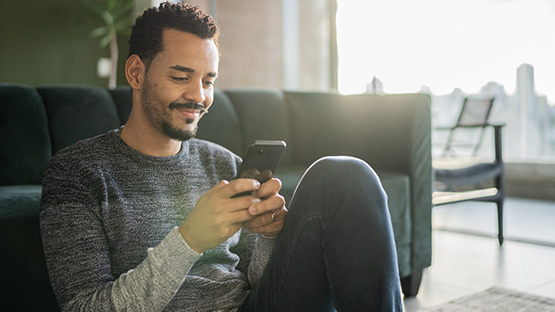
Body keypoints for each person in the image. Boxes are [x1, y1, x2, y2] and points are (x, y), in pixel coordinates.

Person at [39, 2, 402, 311]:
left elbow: (254, 280)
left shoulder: (223, 164)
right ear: (136, 72)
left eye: (208, 81)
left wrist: (270, 236)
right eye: (181, 77)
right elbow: (84, 306)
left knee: (343, 174)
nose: (199, 96)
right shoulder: (76, 172)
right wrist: (189, 239)